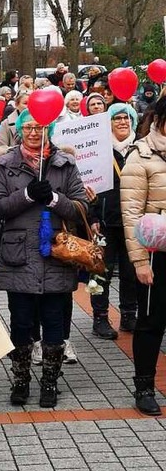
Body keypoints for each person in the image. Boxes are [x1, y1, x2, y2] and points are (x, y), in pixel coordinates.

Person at [0, 109, 88, 407]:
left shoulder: (65, 163)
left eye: (40, 127)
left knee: (54, 322)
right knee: (20, 322)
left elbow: (81, 206)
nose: (33, 133)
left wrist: (55, 199)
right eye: (28, 127)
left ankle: (49, 383)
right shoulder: (5, 164)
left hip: (56, 253)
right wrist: (28, 195)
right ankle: (20, 381)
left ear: (50, 129)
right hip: (19, 255)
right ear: (20, 130)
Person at [120, 96, 166, 415]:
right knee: (151, 323)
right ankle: (144, 387)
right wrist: (138, 261)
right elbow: (132, 212)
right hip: (155, 253)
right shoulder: (141, 156)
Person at [90, 104, 139, 340]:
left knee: (131, 271)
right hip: (105, 220)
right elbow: (87, 186)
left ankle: (129, 314)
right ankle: (100, 317)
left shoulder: (140, 148)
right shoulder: (98, 150)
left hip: (133, 221)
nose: (122, 122)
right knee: (101, 272)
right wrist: (92, 216)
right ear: (108, 123)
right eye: (117, 118)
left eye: (126, 118)